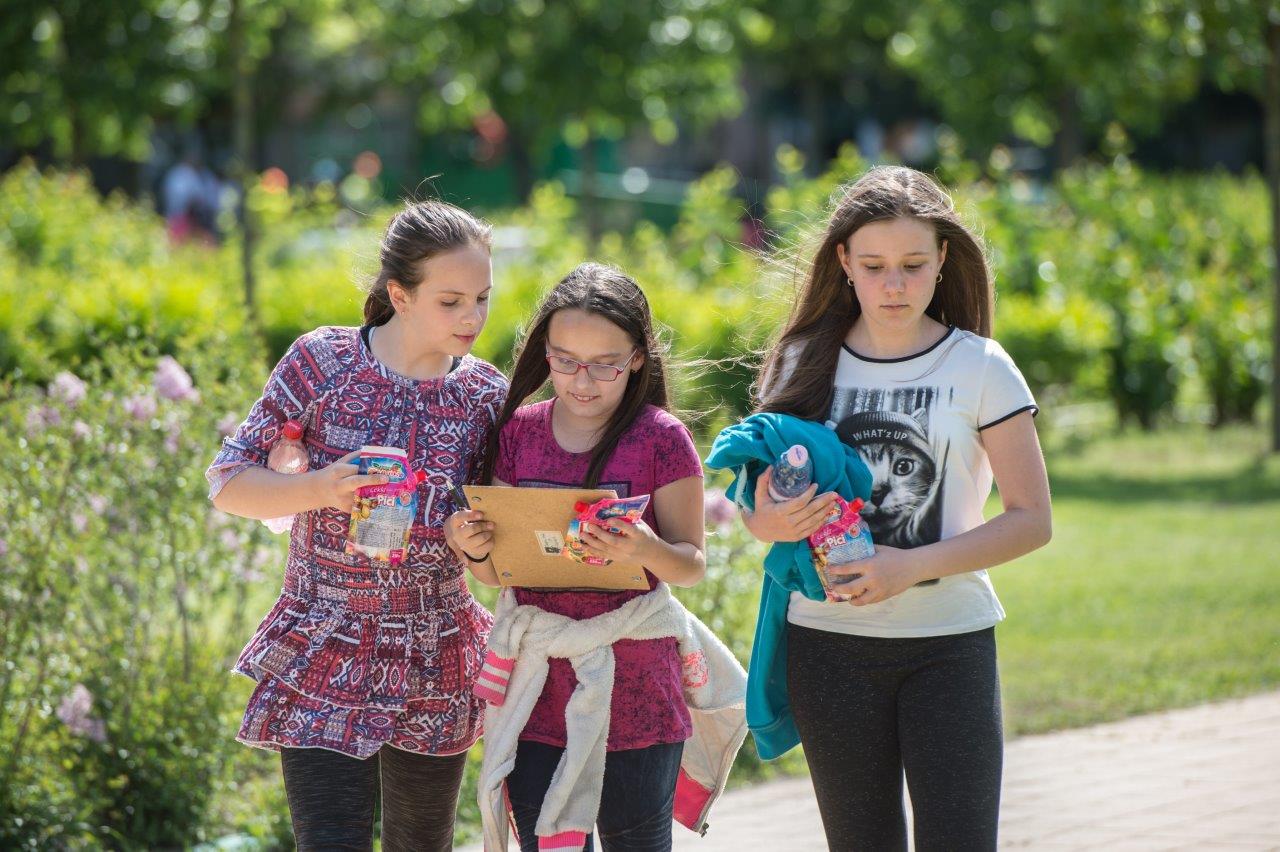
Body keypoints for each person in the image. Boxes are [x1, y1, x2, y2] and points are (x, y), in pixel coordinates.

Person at [743, 165, 1052, 850]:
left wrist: (909, 566)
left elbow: (1033, 519)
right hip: (825, 648)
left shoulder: (982, 366)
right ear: (843, 261)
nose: (894, 285)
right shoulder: (800, 361)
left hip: (950, 647)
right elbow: (757, 514)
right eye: (874, 266)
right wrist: (770, 519)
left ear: (942, 259)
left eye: (913, 265)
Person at [205, 200, 507, 851]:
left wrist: (474, 544)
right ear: (400, 294)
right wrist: (320, 487)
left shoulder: (487, 396)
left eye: (482, 298)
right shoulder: (323, 362)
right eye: (451, 301)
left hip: (436, 649)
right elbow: (228, 481)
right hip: (325, 634)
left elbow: (497, 557)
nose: (473, 318)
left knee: (420, 845)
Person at [448, 263, 717, 851]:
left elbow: (692, 564)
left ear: (638, 359)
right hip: (538, 688)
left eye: (605, 365)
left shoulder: (662, 437)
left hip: (637, 687)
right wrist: (472, 547)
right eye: (565, 361)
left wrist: (645, 548)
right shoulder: (518, 432)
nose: (583, 381)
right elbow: (498, 572)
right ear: (544, 352)